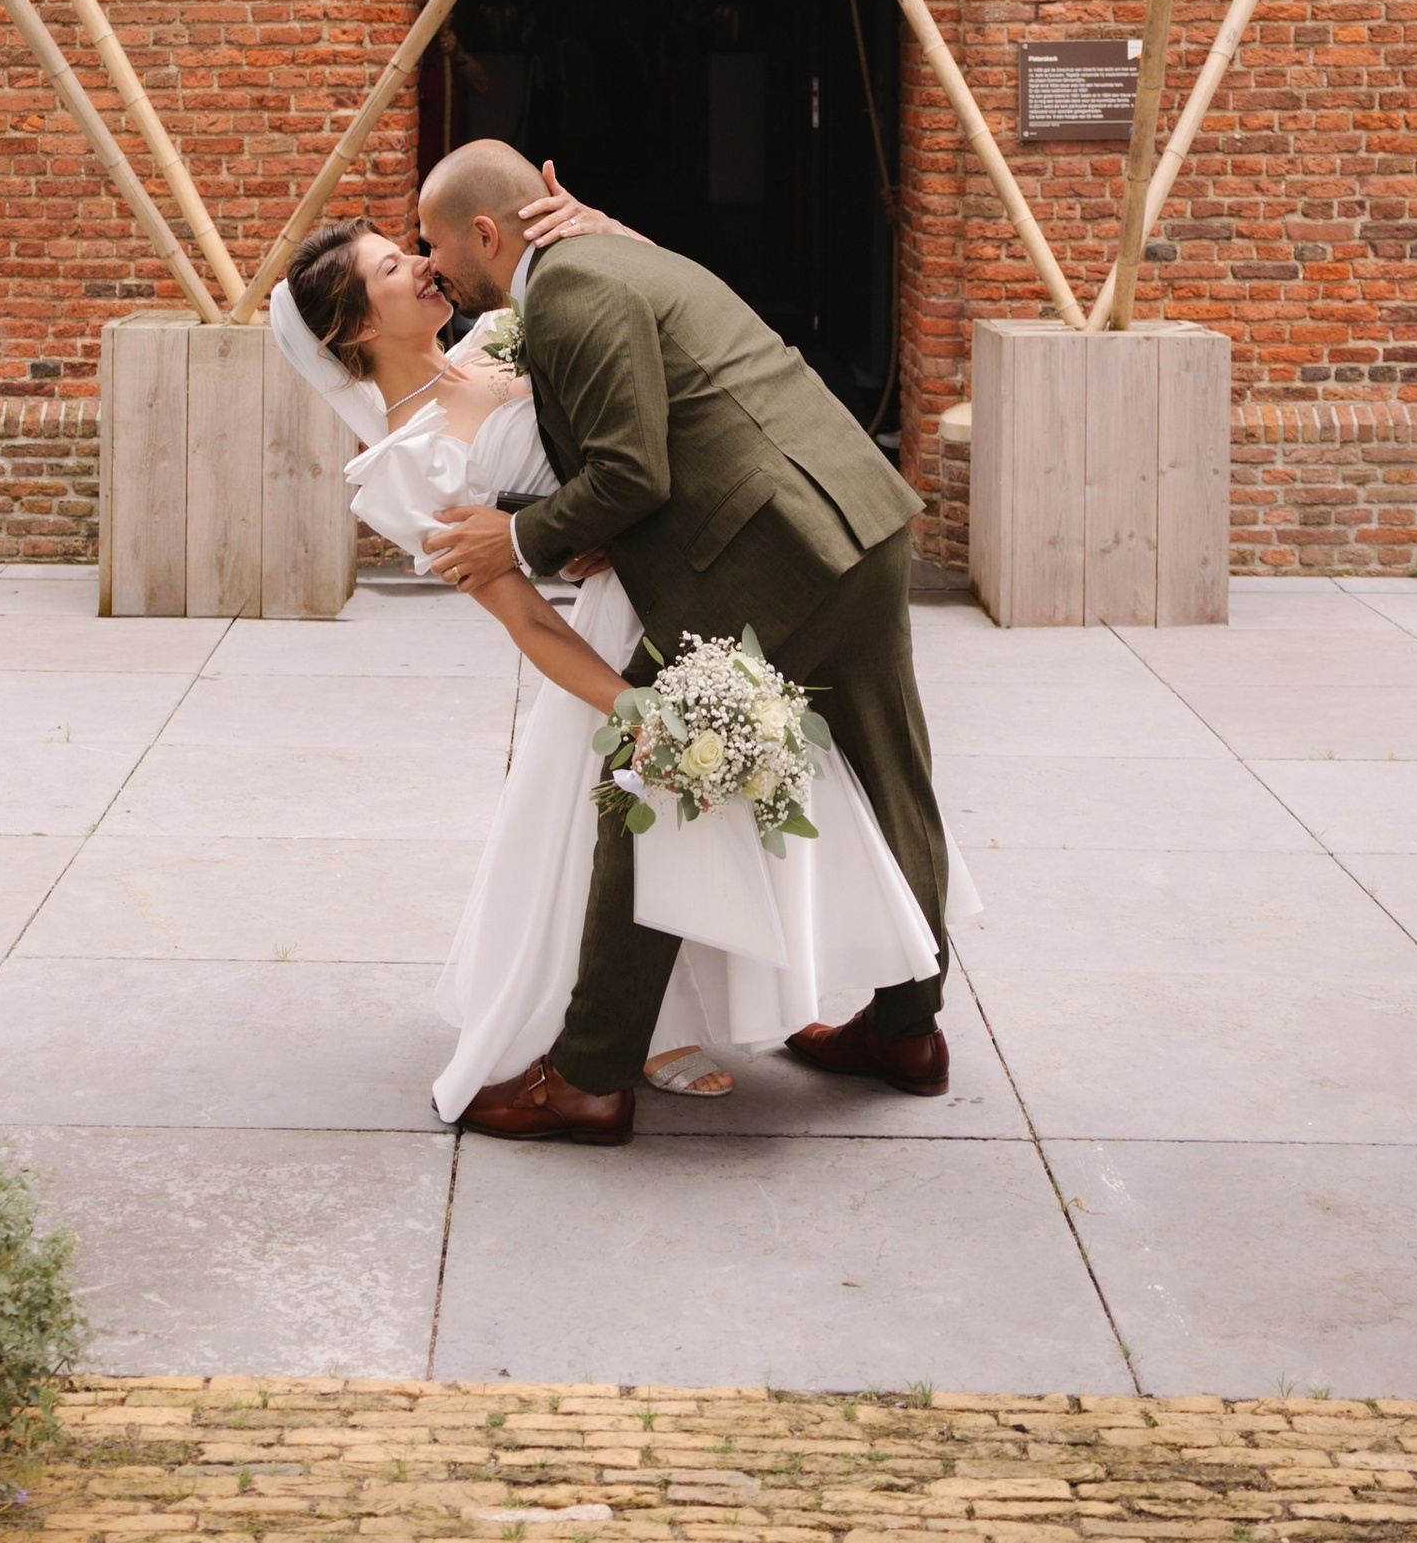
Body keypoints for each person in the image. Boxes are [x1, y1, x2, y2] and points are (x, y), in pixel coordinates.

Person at [268, 177, 957, 1129]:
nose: (424, 264)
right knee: (657, 802)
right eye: (395, 264)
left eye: (417, 246)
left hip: (698, 575)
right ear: (352, 332)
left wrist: (540, 521)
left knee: (768, 800)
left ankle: (620, 1061)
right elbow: (526, 620)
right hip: (617, 629)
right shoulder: (407, 466)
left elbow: (625, 424)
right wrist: (635, 709)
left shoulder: (493, 339)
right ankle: (656, 1043)